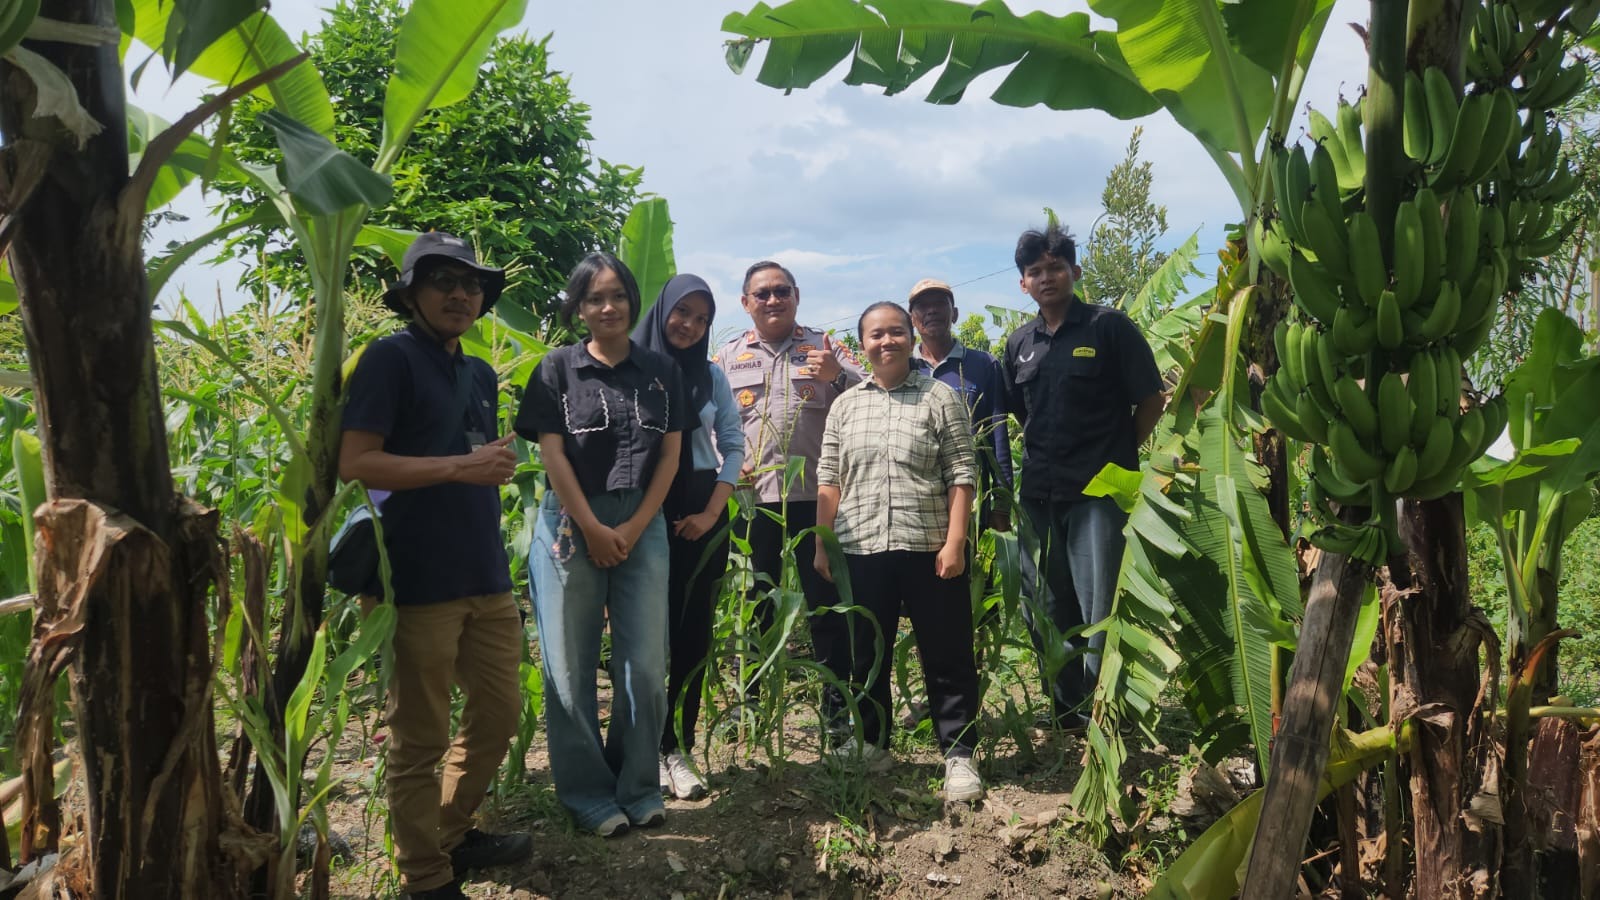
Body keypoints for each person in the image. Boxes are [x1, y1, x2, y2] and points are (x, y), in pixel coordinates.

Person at [338, 232, 530, 900]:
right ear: (413, 293)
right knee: (420, 737)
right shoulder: (388, 361)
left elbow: (470, 454)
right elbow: (357, 461)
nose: (460, 294)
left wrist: (490, 464)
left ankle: (446, 832)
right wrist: (459, 466)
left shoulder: (478, 371)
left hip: (484, 572)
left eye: (472, 284)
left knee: (500, 716)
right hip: (415, 581)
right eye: (444, 281)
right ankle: (424, 876)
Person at [517, 253, 687, 837]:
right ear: (579, 308)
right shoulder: (556, 369)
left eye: (617, 295)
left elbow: (669, 454)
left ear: (632, 302)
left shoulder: (662, 371)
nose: (608, 307)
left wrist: (636, 526)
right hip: (569, 522)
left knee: (644, 666)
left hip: (643, 520)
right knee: (570, 666)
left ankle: (638, 785)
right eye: (594, 299)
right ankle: (588, 794)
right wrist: (591, 525)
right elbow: (552, 453)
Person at [813, 301, 983, 802]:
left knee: (947, 651)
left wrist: (955, 542)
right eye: (875, 334)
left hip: (929, 545)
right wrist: (824, 543)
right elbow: (829, 476)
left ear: (910, 336)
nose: (886, 342)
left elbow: (962, 473)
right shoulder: (846, 404)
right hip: (862, 546)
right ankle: (872, 743)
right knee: (867, 651)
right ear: (861, 344)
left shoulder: (939, 396)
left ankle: (958, 755)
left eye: (895, 332)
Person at [1002, 225, 1166, 731]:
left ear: (1074, 271)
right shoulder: (1020, 343)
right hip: (1039, 496)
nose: (1046, 277)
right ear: (1024, 284)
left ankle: (1106, 713)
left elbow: (1152, 399)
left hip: (1097, 494)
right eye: (1035, 271)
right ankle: (1066, 708)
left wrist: (1117, 458)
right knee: (1046, 605)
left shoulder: (1108, 327)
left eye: (1055, 267)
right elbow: (1018, 413)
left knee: (1101, 605)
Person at [712, 261, 864, 734]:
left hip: (814, 498)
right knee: (755, 601)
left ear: (797, 296)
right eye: (763, 294)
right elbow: (709, 421)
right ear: (745, 303)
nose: (773, 300)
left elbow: (869, 396)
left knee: (824, 604)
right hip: (752, 498)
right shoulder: (727, 355)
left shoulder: (824, 347)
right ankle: (750, 703)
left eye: (782, 291)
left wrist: (837, 374)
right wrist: (726, 464)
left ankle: (836, 705)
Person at [631, 274, 744, 801]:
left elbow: (734, 445)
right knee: (643, 635)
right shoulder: (628, 367)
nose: (690, 326)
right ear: (662, 311)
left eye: (702, 319)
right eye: (683, 313)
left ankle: (677, 747)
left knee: (691, 635)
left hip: (699, 506)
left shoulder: (711, 377)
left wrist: (711, 511)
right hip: (637, 506)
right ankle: (638, 750)